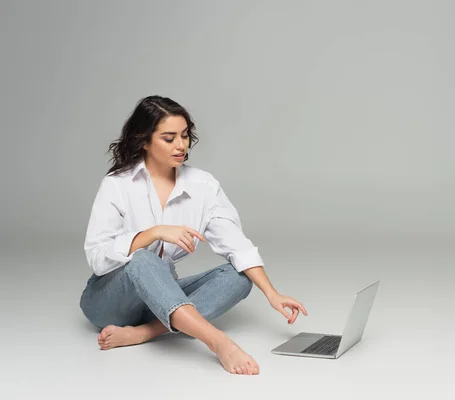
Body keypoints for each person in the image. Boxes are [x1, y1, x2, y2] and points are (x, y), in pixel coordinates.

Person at [79, 95, 307, 375]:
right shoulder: (117, 185)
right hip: (108, 301)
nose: (181, 145)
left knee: (239, 277)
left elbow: (238, 246)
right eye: (169, 138)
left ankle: (146, 332)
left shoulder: (203, 186)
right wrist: (152, 233)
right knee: (143, 259)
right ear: (144, 141)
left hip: (158, 300)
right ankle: (218, 342)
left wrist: (272, 294)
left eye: (185, 136)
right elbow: (98, 258)